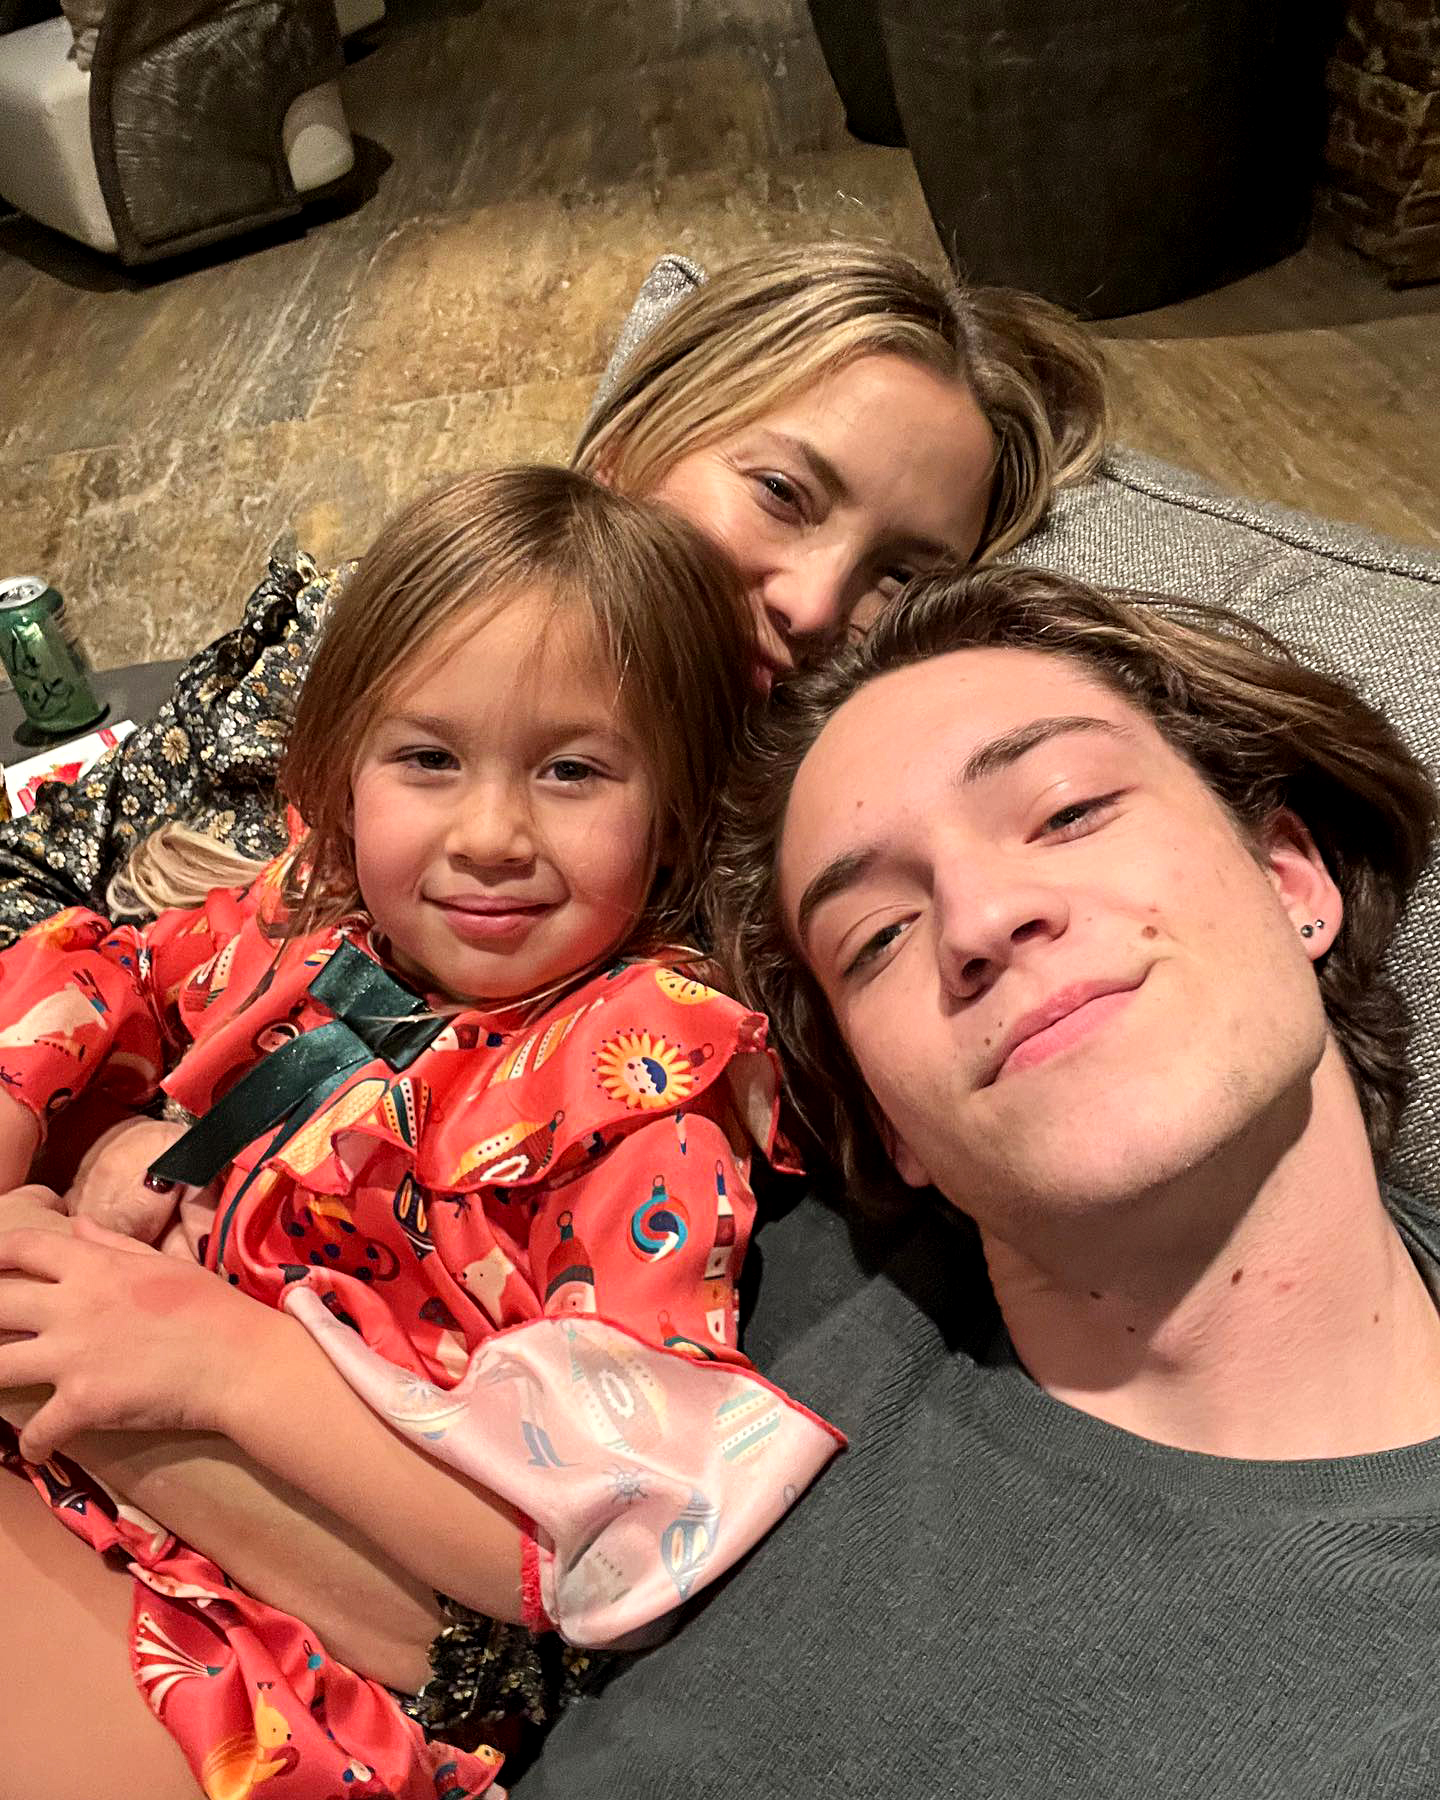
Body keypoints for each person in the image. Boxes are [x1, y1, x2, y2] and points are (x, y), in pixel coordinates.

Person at [506, 564, 1440, 1797]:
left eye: (1067, 811)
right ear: (889, 1120)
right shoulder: (708, 1273)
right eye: (877, 938)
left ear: (1289, 878)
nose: (980, 918)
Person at [0, 466, 841, 1800]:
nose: (492, 834)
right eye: (429, 760)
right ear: (342, 773)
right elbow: (103, 968)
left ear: (676, 813)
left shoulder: (637, 1084)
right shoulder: (313, 919)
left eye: (573, 770)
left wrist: (216, 1362)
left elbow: (590, 1533)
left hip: (262, 1647)